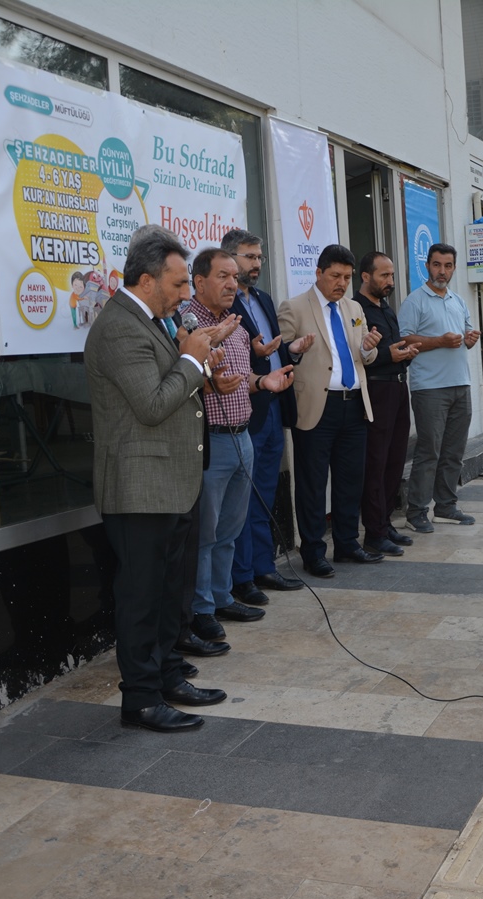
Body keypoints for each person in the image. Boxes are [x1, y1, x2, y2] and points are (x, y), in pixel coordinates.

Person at [83, 224, 237, 732]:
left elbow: (173, 385)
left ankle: (169, 674)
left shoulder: (154, 319)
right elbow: (151, 404)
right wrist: (192, 357)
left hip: (173, 482)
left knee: (171, 593)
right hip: (139, 488)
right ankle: (141, 698)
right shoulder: (120, 326)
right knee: (142, 598)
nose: (185, 295)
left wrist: (197, 351)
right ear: (147, 280)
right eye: (178, 285)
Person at [187, 248, 294, 630]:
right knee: (205, 533)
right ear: (199, 281)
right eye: (223, 277)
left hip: (242, 437)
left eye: (235, 277)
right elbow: (182, 378)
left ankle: (222, 596)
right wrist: (208, 378)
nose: (233, 284)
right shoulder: (188, 325)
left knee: (231, 529)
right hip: (211, 443)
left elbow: (242, 379)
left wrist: (263, 381)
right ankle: (201, 610)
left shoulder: (236, 323)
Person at [277, 244, 383, 577]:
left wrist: (368, 350)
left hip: (353, 405)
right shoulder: (294, 308)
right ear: (319, 273)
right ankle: (312, 552)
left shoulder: (354, 307)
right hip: (316, 408)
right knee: (312, 483)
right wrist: (293, 352)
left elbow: (365, 355)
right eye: (335, 276)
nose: (341, 283)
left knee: (351, 480)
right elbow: (278, 356)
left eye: (347, 277)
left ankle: (348, 544)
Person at [223, 230, 306, 605]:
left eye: (259, 257)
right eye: (249, 257)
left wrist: (291, 350)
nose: (256, 264)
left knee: (265, 495)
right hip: (244, 410)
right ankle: (241, 578)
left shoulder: (264, 298)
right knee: (242, 498)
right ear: (228, 259)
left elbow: (269, 351)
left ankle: (262, 566)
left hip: (272, 407)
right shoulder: (223, 306)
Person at [399, 243, 480, 534]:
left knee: (454, 451)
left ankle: (445, 507)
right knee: (429, 451)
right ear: (427, 266)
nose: (441, 271)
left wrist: (471, 337)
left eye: (447, 266)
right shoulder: (414, 301)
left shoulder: (458, 300)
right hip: (430, 388)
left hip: (461, 383)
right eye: (436, 265)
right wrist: (439, 342)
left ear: (454, 268)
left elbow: (467, 334)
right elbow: (404, 342)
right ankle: (416, 511)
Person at [357, 252, 419, 555]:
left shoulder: (386, 308)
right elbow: (360, 356)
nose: (390, 282)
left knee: (395, 460)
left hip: (397, 389)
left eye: (392, 276)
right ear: (366, 276)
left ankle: (385, 522)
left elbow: (393, 349)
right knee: (376, 462)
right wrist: (388, 356)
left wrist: (405, 353)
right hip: (376, 392)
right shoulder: (357, 310)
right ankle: (373, 532)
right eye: (384, 276)